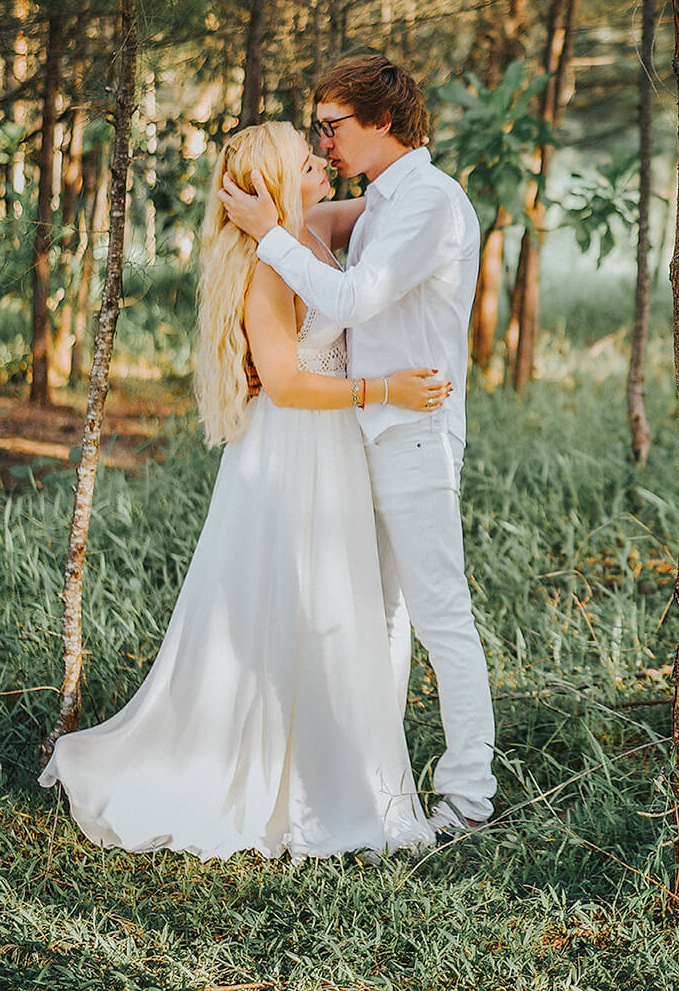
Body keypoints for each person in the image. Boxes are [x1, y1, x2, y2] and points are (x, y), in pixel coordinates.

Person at [39, 121, 450, 861]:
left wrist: (401, 154)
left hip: (333, 449)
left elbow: (392, 199)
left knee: (329, 600)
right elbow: (288, 385)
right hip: (293, 450)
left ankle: (334, 760)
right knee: (294, 602)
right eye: (305, 149)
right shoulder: (270, 264)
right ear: (277, 178)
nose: (320, 155)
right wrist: (387, 387)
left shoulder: (315, 226)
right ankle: (281, 776)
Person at [217, 54, 494, 837]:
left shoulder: (430, 203)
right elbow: (312, 243)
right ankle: (379, 784)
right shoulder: (378, 204)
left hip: (411, 431)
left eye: (334, 126)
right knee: (376, 616)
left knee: (439, 613)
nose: (325, 141)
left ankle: (469, 797)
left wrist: (270, 233)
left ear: (384, 121)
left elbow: (351, 297)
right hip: (356, 434)